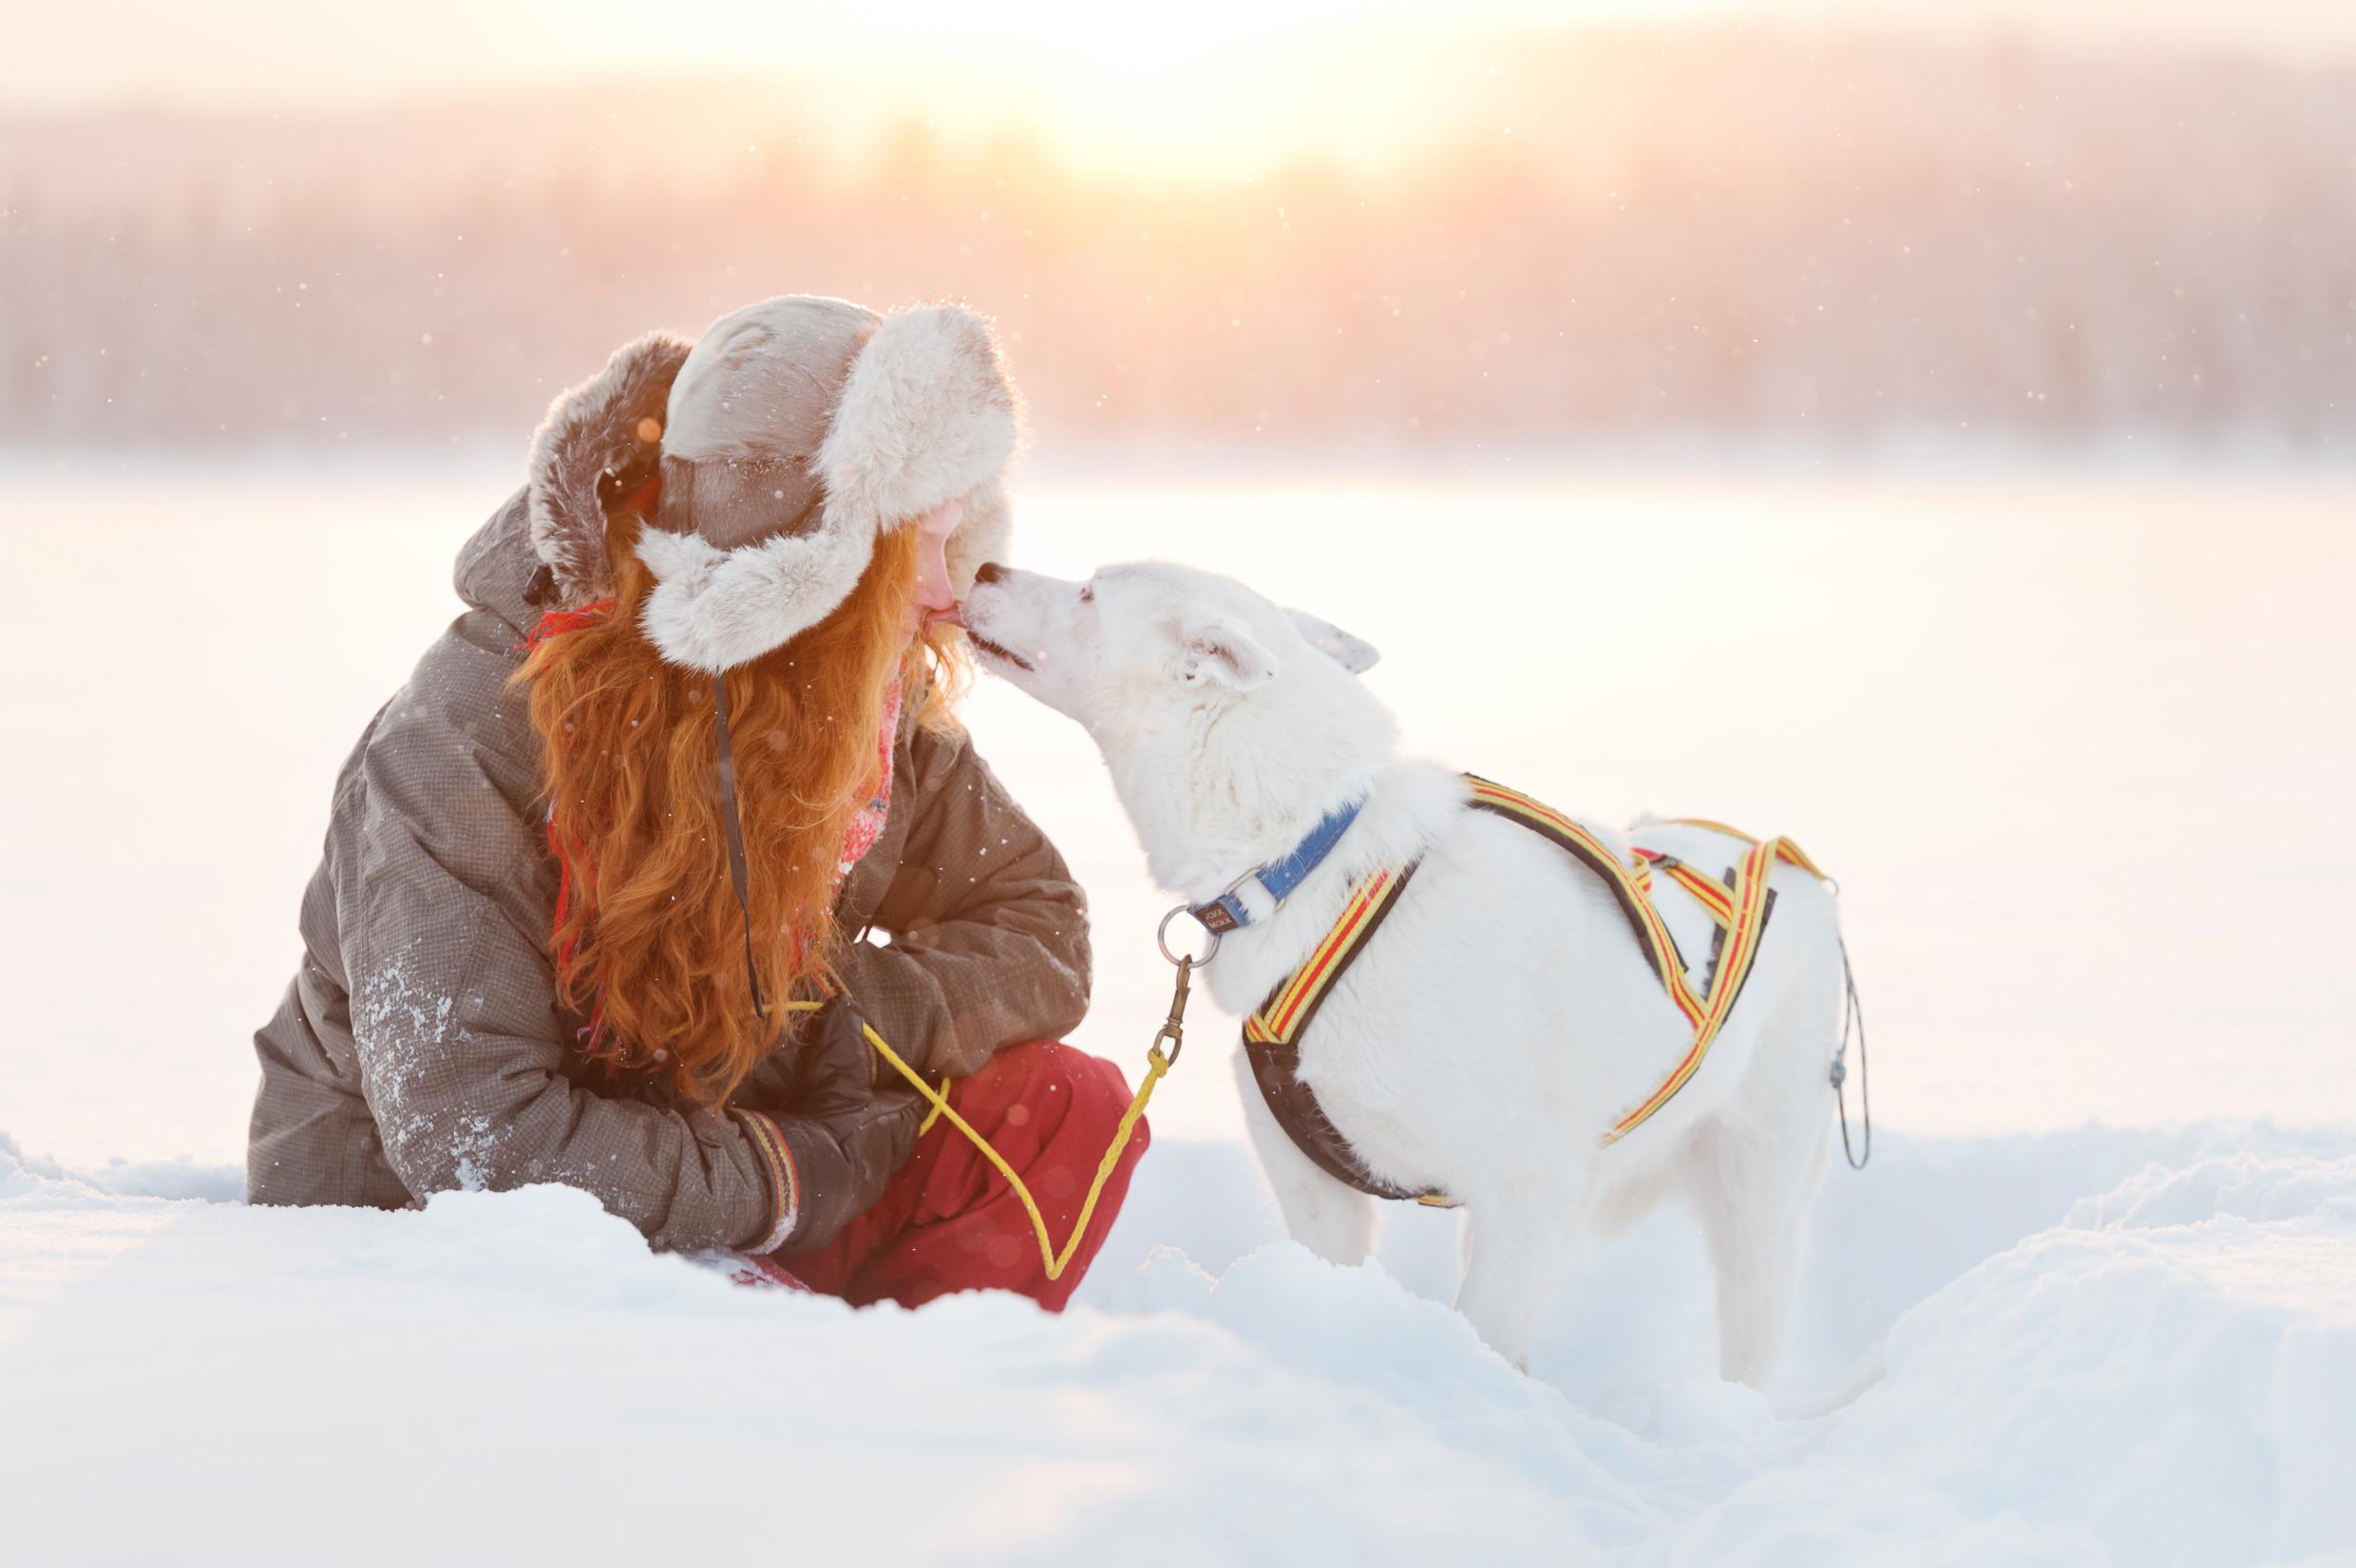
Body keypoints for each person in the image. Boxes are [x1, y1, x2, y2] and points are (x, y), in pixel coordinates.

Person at [246, 294, 1144, 1309]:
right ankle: (736, 1375)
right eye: (912, 549)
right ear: (801, 564)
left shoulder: (854, 700)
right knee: (533, 1232)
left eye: (956, 541)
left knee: (1063, 1110)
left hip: (727, 1161)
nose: (946, 593)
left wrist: (822, 1023)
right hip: (449, 1245)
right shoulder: (463, 738)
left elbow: (1036, 926)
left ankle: (892, 1407)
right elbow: (473, 1145)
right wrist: (788, 1174)